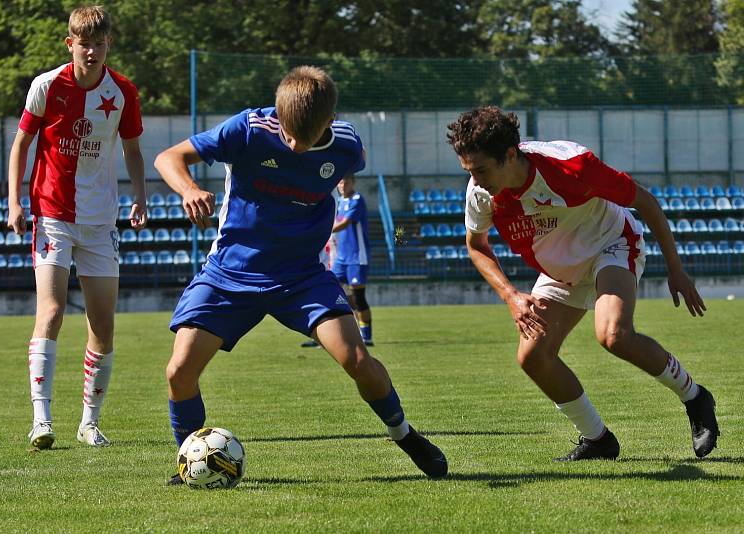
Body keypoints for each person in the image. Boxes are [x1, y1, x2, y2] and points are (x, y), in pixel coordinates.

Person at [154, 66, 447, 484]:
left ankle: (405, 435)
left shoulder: (347, 146)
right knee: (178, 371)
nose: (291, 143)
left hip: (301, 278)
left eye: (301, 137)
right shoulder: (248, 128)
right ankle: (188, 463)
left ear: (329, 121)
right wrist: (188, 189)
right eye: (286, 133)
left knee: (357, 359)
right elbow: (169, 157)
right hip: (230, 273)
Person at [448, 106, 719, 461]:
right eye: (469, 170)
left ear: (510, 155)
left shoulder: (571, 165)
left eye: (481, 169)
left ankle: (695, 397)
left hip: (611, 243)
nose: (475, 179)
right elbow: (476, 245)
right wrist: (510, 295)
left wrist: (676, 269)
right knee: (532, 356)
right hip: (561, 269)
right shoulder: (480, 191)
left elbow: (646, 202)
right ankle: (598, 439)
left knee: (613, 335)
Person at [7, 5, 147, 450]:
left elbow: (132, 151)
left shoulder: (122, 92)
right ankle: (41, 420)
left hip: (100, 220)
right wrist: (14, 202)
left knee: (103, 325)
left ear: (109, 44)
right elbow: (22, 144)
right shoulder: (46, 86)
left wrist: (140, 195)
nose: (91, 50)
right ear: (70, 44)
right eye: (83, 43)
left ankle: (89, 422)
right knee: (50, 312)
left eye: (99, 43)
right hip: (52, 215)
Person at [302, 174, 373, 348]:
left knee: (358, 297)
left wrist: (317, 229)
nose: (343, 185)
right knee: (330, 294)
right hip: (340, 258)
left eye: (346, 181)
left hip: (356, 257)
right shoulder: (338, 202)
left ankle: (366, 336)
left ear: (353, 182)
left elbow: (345, 223)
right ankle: (325, 336)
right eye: (340, 182)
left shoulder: (357, 199)